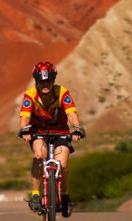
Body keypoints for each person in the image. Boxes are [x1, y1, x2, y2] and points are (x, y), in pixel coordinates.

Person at [18, 61, 85, 218]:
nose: (45, 84)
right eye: (41, 81)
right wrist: (24, 130)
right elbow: (24, 117)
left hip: (61, 132)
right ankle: (35, 195)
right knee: (39, 155)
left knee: (63, 164)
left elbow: (71, 113)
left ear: (53, 80)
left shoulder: (62, 92)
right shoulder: (30, 95)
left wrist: (77, 128)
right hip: (38, 133)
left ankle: (66, 196)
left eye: (48, 81)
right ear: (36, 82)